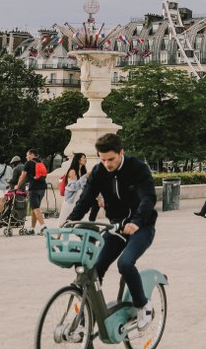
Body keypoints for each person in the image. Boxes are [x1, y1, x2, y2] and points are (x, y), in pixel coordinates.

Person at [68, 133, 158, 330]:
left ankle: (143, 305)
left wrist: (137, 220)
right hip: (116, 227)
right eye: (103, 159)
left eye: (111, 159)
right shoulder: (99, 172)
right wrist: (71, 221)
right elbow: (86, 198)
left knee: (125, 263)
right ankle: (88, 318)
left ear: (121, 152)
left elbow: (148, 198)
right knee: (95, 267)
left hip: (141, 227)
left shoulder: (137, 168)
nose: (107, 164)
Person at [13, 148, 48, 234]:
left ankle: (44, 227)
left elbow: (22, 176)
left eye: (27, 155)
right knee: (34, 209)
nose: (26, 157)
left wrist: (17, 186)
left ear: (32, 155)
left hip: (34, 188)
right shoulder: (41, 162)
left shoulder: (28, 163)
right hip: (42, 188)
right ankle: (32, 228)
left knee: (36, 208)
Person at [58, 153, 89, 225]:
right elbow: (72, 187)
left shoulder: (82, 171)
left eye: (85, 158)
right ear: (78, 160)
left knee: (83, 220)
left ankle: (83, 234)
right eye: (83, 158)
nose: (85, 159)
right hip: (71, 199)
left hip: (79, 199)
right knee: (64, 219)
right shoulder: (72, 171)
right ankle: (58, 236)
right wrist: (84, 177)